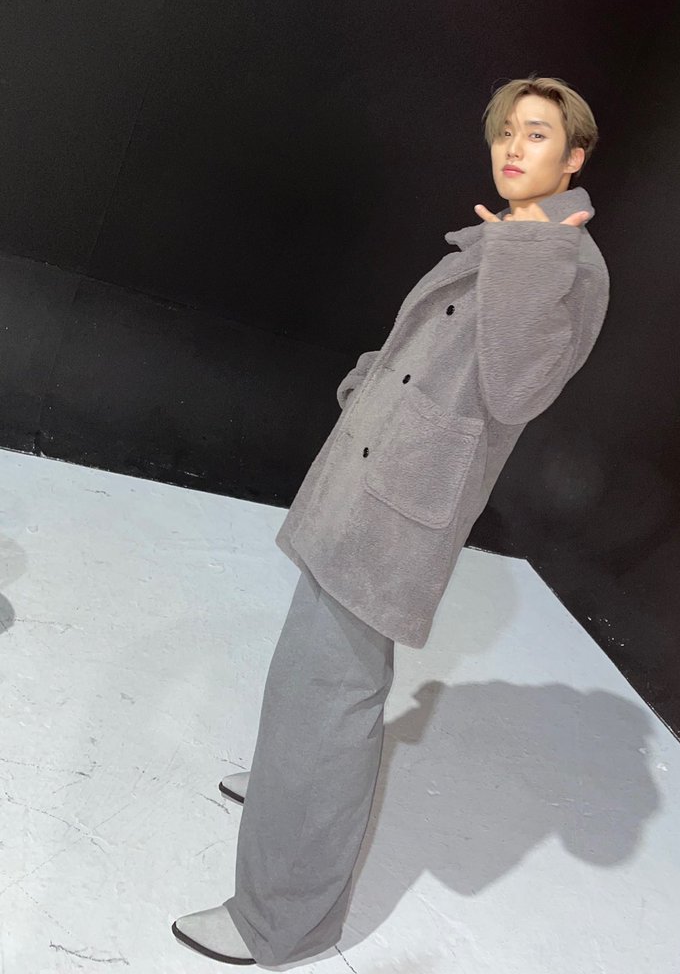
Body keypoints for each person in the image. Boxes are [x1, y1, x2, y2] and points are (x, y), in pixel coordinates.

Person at [171, 75, 611, 965]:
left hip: (405, 501)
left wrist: (527, 253)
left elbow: (516, 389)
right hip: (378, 470)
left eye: (536, 134)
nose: (513, 147)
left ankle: (278, 921)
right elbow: (430, 342)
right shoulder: (514, 233)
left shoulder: (566, 263)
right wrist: (368, 383)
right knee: (315, 667)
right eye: (505, 131)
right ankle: (290, 781)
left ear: (575, 156)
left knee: (334, 687)